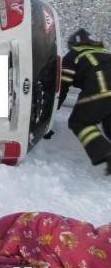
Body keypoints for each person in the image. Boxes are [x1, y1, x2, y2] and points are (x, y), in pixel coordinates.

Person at [58, 28, 111, 175]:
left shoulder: (74, 54)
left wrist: (54, 106)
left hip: (102, 86)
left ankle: (106, 153)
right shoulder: (104, 52)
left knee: (80, 122)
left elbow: (63, 84)